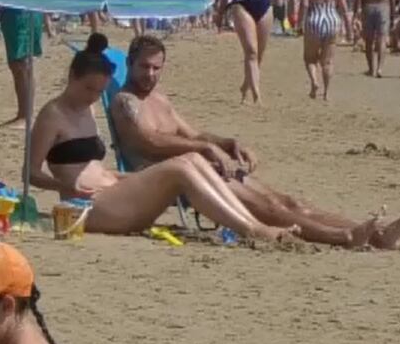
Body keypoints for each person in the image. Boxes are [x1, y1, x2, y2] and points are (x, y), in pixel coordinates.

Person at [111, 34, 395, 249]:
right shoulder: (125, 103)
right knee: (271, 209)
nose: (150, 75)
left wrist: (226, 143)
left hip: (204, 168)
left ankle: (376, 232)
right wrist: (205, 149)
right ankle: (344, 237)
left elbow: (193, 135)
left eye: (156, 68)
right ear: (129, 64)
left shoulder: (159, 99)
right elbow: (151, 143)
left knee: (287, 201)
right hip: (177, 179)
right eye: (144, 67)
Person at [29, 35, 293, 241]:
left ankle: (253, 225)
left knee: (190, 158)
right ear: (71, 76)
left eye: (98, 91)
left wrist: (124, 178)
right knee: (179, 167)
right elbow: (30, 173)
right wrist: (65, 188)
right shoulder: (52, 115)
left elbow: (92, 168)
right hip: (88, 209)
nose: (92, 96)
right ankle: (252, 229)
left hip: (114, 193)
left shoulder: (87, 109)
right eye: (88, 88)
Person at [295, 0, 350, 101]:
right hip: (332, 22)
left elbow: (304, 4)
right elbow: (344, 9)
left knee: (310, 59)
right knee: (327, 61)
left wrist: (299, 23)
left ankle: (314, 82)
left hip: (314, 21)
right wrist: (349, 29)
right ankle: (327, 92)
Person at [0, 7, 46, 128]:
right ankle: (23, 114)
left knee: (22, 64)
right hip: (19, 11)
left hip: (21, 13)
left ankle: (26, 116)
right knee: (18, 64)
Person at [353, 0, 389, 78]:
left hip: (368, 6)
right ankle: (380, 68)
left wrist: (355, 13)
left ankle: (371, 69)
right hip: (383, 6)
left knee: (369, 40)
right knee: (382, 39)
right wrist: (393, 14)